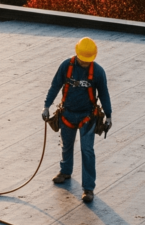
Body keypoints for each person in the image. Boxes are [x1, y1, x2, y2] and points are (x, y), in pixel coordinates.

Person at [43, 37, 112, 204]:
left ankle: (88, 188)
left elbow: (103, 94)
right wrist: (46, 106)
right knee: (66, 144)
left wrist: (109, 115)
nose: (85, 63)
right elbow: (55, 86)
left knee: (87, 150)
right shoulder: (66, 66)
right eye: (83, 60)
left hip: (87, 117)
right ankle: (65, 171)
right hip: (67, 113)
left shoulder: (98, 72)